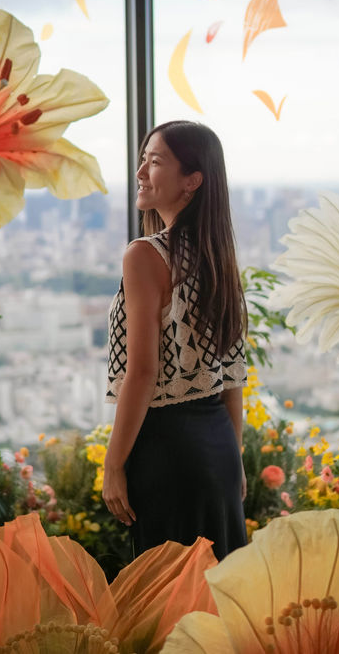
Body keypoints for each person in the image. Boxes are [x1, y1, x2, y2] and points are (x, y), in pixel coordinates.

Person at [103, 120, 248, 560]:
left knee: (168, 607)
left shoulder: (145, 255)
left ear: (192, 181)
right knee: (216, 600)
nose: (141, 172)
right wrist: (235, 459)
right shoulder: (218, 257)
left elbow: (142, 373)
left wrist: (113, 465)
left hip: (168, 452)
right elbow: (232, 376)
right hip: (217, 448)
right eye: (143, 160)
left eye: (155, 161)